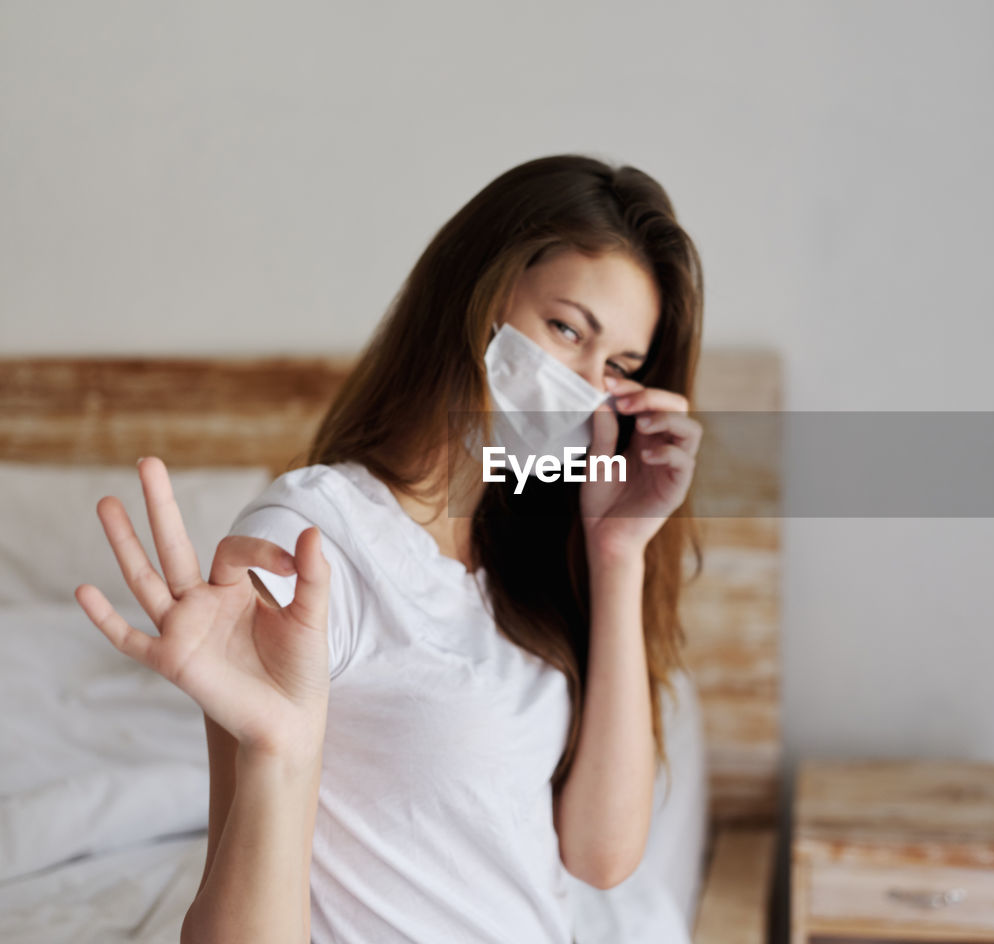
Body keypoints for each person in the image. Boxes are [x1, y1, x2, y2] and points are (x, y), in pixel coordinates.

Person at [73, 153, 705, 943]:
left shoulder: (520, 561)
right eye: (566, 328)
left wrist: (618, 557)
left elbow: (601, 857)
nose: (585, 385)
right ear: (477, 298)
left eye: (617, 367)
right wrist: (277, 747)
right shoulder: (311, 539)